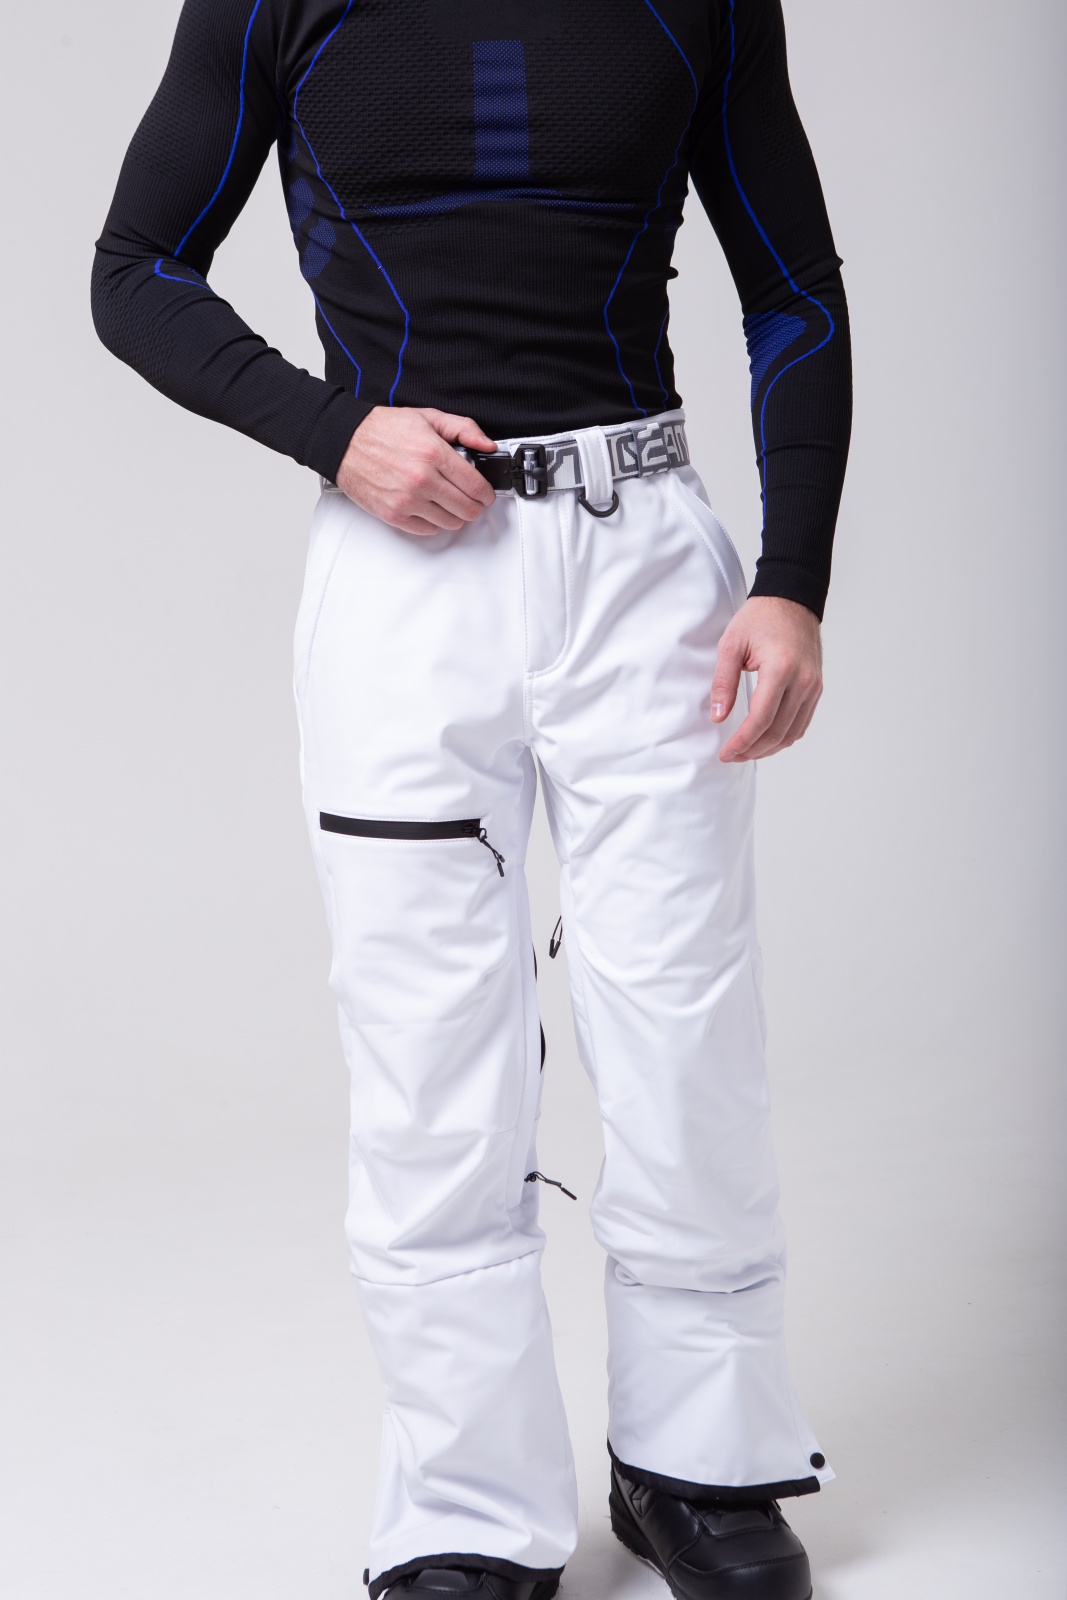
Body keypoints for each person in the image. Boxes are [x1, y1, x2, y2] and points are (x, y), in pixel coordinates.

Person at [92, 2, 852, 1596]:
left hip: (648, 563)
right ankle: (465, 1505)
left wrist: (792, 582)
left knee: (685, 1025)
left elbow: (793, 289)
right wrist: (336, 435)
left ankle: (700, 1465)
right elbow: (135, 269)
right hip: (403, 579)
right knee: (427, 1047)